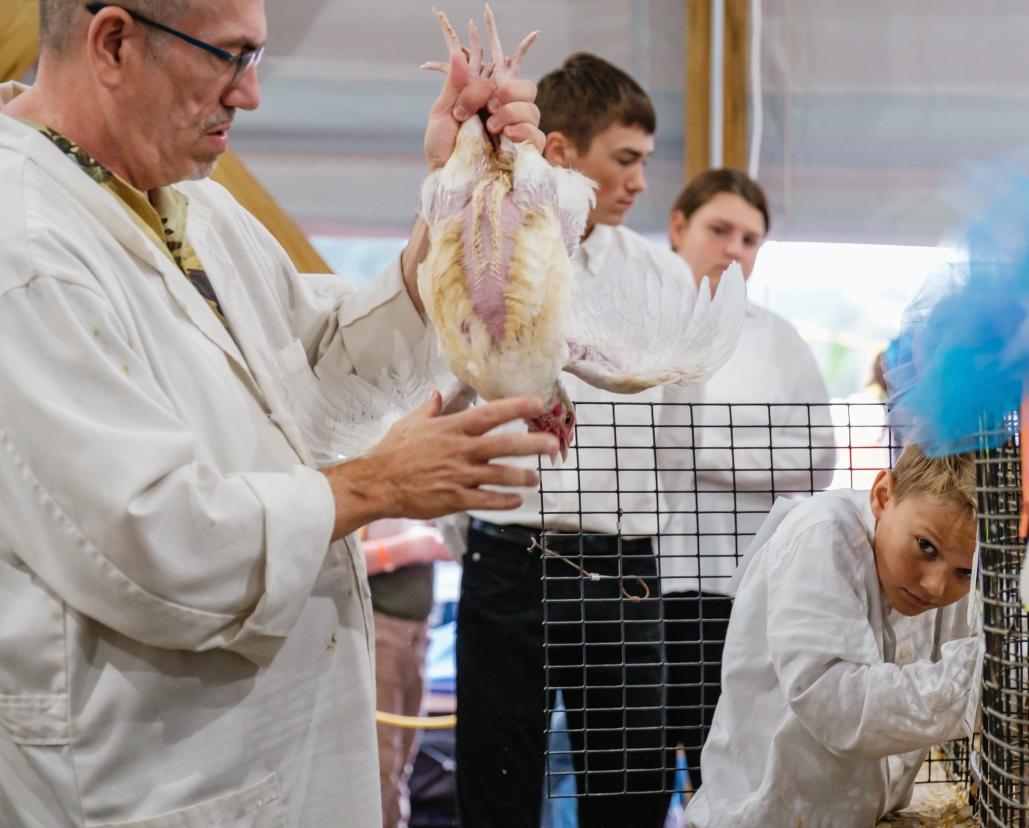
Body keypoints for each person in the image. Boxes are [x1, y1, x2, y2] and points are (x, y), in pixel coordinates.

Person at [0, 2, 554, 825]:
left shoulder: (195, 207)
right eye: (229, 58)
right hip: (146, 773)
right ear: (113, 42)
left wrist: (454, 200)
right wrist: (373, 487)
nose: (250, 95)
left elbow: (327, 380)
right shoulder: (25, 245)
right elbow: (148, 536)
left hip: (265, 756)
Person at [453, 52, 690, 828]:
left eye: (646, 162)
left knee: (631, 793)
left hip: (623, 567)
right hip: (510, 562)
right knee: (498, 789)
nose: (640, 182)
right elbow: (442, 398)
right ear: (559, 153)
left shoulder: (660, 276)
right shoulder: (482, 257)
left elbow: (679, 433)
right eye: (625, 160)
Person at [685, 443, 982, 828]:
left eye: (964, 572)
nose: (936, 587)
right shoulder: (822, 534)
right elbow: (835, 701)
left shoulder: (939, 565)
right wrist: (975, 682)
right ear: (882, 496)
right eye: (925, 546)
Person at [657, 167, 833, 793]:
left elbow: (817, 458)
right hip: (636, 587)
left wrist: (699, 452)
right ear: (679, 226)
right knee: (631, 771)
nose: (734, 248)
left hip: (735, 588)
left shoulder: (780, 344)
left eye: (751, 239)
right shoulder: (637, 325)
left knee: (725, 765)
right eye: (720, 229)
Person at [363, 520, 451, 828]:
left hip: (419, 634)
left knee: (399, 768)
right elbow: (338, 562)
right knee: (378, 769)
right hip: (379, 633)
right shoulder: (360, 477)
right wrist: (409, 548)